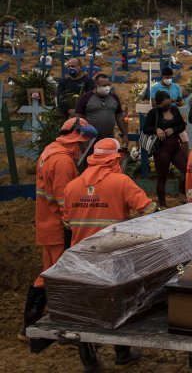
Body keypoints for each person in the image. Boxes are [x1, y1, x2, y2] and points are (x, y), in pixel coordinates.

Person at [62, 138, 157, 371]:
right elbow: (150, 211)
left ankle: (90, 362)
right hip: (115, 258)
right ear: (115, 158)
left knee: (86, 310)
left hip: (82, 258)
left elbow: (67, 223)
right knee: (121, 306)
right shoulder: (122, 182)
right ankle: (122, 353)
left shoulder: (72, 186)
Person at [20, 117, 97, 341]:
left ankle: (29, 325)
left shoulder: (49, 152)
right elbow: (66, 201)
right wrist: (73, 227)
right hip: (57, 225)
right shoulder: (63, 162)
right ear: (75, 141)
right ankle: (61, 330)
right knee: (63, 276)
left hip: (47, 223)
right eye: (82, 145)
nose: (82, 150)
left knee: (48, 274)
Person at [142, 91, 188, 208]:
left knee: (188, 171)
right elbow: (146, 129)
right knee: (162, 177)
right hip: (162, 149)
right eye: (164, 105)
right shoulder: (154, 113)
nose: (167, 106)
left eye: (169, 103)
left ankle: (182, 193)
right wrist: (156, 129)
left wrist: (173, 130)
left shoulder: (174, 110)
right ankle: (162, 204)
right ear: (158, 104)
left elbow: (182, 125)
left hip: (175, 146)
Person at [74, 74, 129, 147]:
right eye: (103, 85)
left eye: (108, 85)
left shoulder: (114, 97)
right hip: (90, 140)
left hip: (108, 138)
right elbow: (78, 118)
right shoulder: (85, 98)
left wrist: (124, 134)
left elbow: (119, 116)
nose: (107, 87)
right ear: (96, 86)